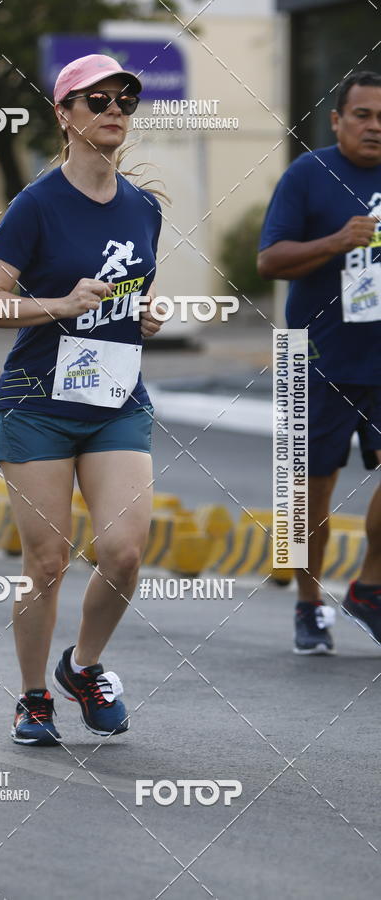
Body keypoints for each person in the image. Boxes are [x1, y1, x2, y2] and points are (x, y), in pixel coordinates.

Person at [0, 54, 164, 745]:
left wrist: (141, 316)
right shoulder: (37, 205)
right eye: (96, 100)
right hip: (37, 402)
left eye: (124, 100)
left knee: (122, 552)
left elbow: (125, 294)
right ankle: (31, 698)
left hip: (114, 396)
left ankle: (82, 667)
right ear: (64, 114)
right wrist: (57, 305)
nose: (114, 110)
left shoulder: (145, 209)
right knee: (47, 562)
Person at [258, 71, 381, 653]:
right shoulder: (308, 175)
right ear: (337, 120)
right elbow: (269, 261)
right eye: (362, 114)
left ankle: (369, 586)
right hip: (313, 355)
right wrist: (335, 242)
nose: (375, 125)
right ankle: (309, 605)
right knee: (310, 492)